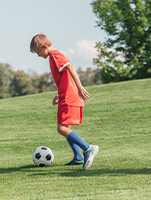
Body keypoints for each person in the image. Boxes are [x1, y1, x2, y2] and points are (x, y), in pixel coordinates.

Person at [30, 33, 99, 169]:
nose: (38, 55)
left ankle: (88, 148)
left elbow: (70, 67)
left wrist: (80, 87)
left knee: (61, 128)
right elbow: (64, 78)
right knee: (65, 127)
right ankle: (78, 157)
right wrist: (59, 94)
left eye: (38, 52)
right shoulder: (52, 57)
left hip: (69, 96)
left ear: (44, 47)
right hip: (66, 95)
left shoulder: (55, 55)